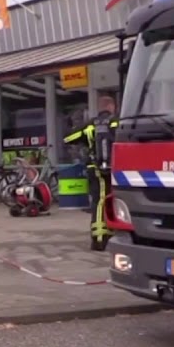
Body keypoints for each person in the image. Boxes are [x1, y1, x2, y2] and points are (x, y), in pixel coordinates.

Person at [64, 94, 120, 250]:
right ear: (111, 107)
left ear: (100, 108)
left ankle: (100, 236)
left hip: (93, 168)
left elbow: (68, 139)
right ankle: (103, 236)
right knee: (109, 198)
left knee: (98, 200)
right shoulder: (116, 122)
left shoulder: (90, 125)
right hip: (113, 167)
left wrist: (86, 143)